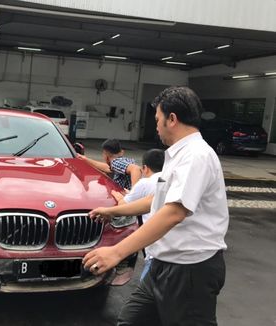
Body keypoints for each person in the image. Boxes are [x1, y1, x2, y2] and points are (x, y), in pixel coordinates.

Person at [83, 86, 229, 325]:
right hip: (162, 264)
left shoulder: (196, 156)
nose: (157, 125)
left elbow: (174, 213)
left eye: (158, 119)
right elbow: (157, 201)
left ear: (172, 119)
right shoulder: (177, 155)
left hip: (189, 269)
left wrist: (117, 252)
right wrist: (112, 211)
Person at [110, 148, 164, 280]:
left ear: (145, 168)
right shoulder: (169, 180)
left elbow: (124, 206)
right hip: (169, 241)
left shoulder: (145, 183)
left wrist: (118, 197)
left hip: (153, 245)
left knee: (147, 286)